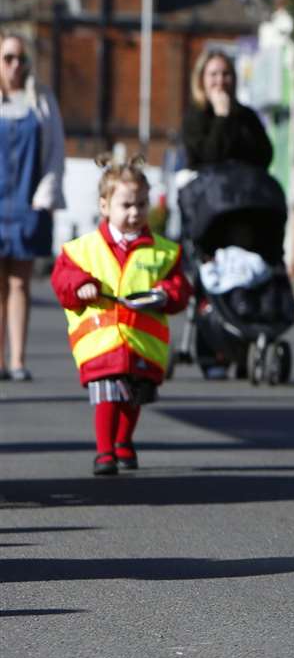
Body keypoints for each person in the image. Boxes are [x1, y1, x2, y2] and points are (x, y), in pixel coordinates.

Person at [50, 156, 192, 475]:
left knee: (134, 397)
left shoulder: (163, 251)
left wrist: (167, 293)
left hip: (142, 342)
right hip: (102, 342)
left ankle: (124, 441)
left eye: (141, 205)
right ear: (104, 206)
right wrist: (81, 285)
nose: (134, 213)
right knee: (107, 396)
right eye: (126, 205)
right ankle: (104, 451)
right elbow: (63, 278)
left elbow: (180, 286)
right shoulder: (82, 249)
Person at [0, 31, 66, 382]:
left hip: (28, 202)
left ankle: (17, 359)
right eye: (8, 58)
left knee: (19, 283)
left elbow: (55, 151)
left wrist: (45, 196)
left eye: (20, 59)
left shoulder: (41, 100)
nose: (15, 65)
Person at [180, 51, 273, 170]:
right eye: (213, 74)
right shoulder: (194, 116)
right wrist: (222, 117)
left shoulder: (246, 115)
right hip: (208, 185)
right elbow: (209, 157)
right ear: (201, 79)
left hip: (244, 183)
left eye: (226, 74)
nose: (220, 81)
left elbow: (265, 156)